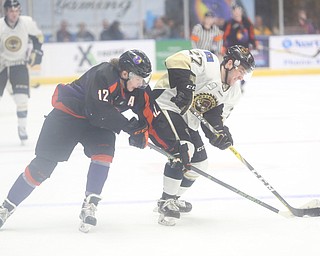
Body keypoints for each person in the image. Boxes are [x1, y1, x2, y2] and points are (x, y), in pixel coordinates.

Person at [0, 49, 156, 232]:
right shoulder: (103, 74)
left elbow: (149, 114)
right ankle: (6, 207)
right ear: (124, 73)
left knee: (104, 154)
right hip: (69, 115)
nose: (142, 83)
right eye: (139, 78)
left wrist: (144, 133)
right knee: (43, 166)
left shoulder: (137, 88)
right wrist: (130, 128)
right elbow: (98, 112)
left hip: (97, 122)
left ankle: (90, 203)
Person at [149, 45, 255, 226]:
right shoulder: (209, 62)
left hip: (187, 120)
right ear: (229, 63)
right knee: (183, 147)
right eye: (241, 71)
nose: (241, 77)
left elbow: (215, 118)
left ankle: (171, 197)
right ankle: (167, 201)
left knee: (200, 164)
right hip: (165, 105)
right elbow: (175, 60)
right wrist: (185, 86)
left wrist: (218, 133)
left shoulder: (234, 93)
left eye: (245, 73)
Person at [0, 0, 44, 143]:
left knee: (22, 100)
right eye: (11, 11)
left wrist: (37, 52)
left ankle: (22, 128)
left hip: (19, 65)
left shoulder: (27, 22)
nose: (14, 14)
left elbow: (38, 37)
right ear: (6, 11)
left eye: (16, 10)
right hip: (1, 66)